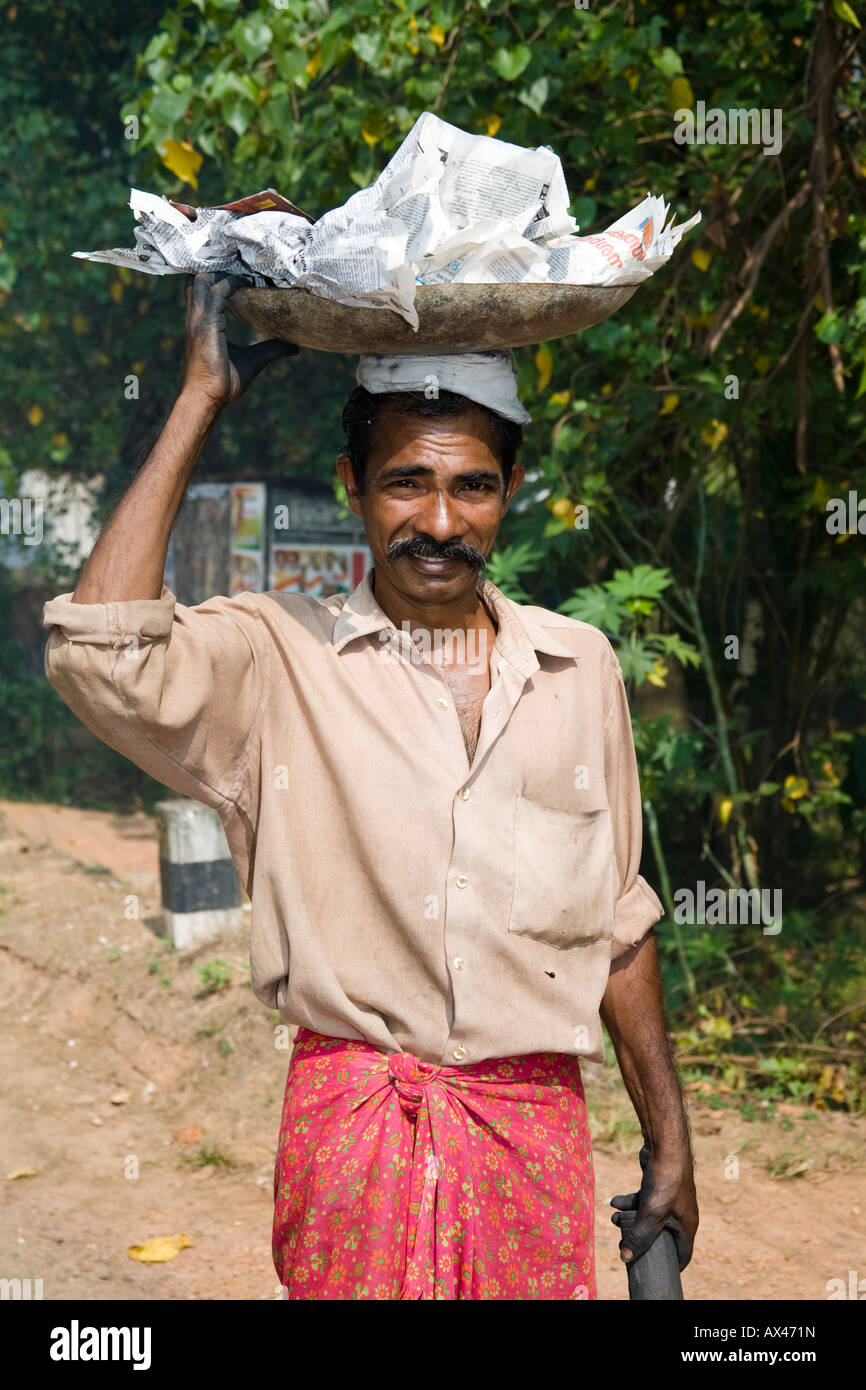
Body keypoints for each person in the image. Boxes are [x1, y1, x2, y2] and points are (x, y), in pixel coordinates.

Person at [43, 270, 698, 1301]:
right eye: (404, 482)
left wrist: (670, 1135)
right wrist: (198, 396)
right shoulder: (275, 655)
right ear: (352, 482)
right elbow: (101, 655)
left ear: (507, 492)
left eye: (470, 486)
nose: (437, 521)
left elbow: (616, 921)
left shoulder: (581, 670)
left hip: (529, 1139)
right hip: (354, 1136)